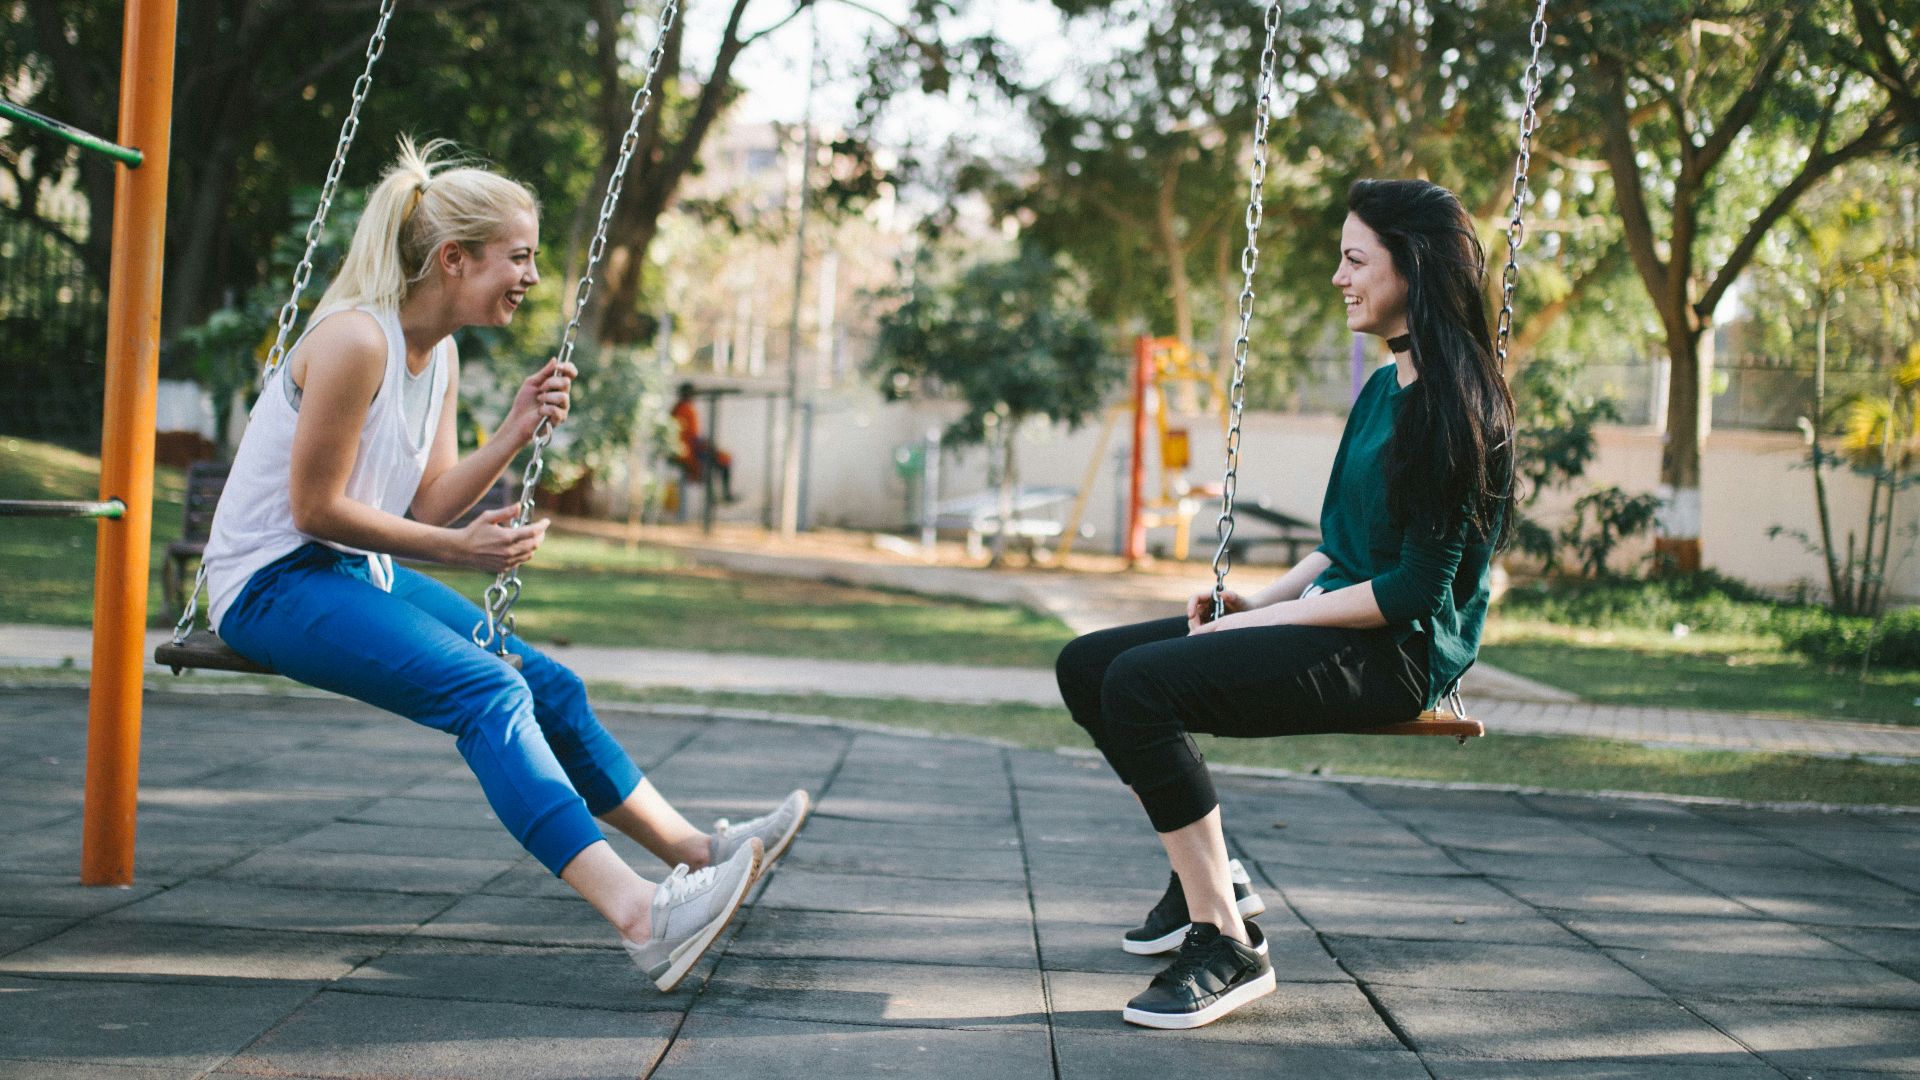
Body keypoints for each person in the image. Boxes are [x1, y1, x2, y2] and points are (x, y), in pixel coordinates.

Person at [200, 138, 809, 993]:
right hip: (271, 583)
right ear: (455, 259)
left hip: (345, 575)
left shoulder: (438, 354)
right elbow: (315, 511)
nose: (529, 275)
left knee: (546, 683)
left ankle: (700, 851)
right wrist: (457, 552)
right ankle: (641, 915)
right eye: (517, 256)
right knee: (488, 691)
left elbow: (432, 501)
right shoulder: (353, 341)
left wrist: (516, 427)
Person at [1053, 178, 1517, 1030]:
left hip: (1399, 651)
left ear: (1411, 268)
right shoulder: (1383, 390)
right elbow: (1341, 543)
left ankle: (1225, 941)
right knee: (1089, 666)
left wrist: (1271, 621)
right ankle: (1212, 873)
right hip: (1342, 612)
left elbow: (1413, 589)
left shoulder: (1457, 407)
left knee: (1142, 687)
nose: (1340, 277)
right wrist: (1254, 599)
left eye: (1355, 259)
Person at [671, 382, 735, 502]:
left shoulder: (683, 408)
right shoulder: (682, 409)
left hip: (691, 448)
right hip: (688, 451)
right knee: (711, 464)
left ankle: (721, 496)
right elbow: (687, 436)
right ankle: (718, 497)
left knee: (723, 460)